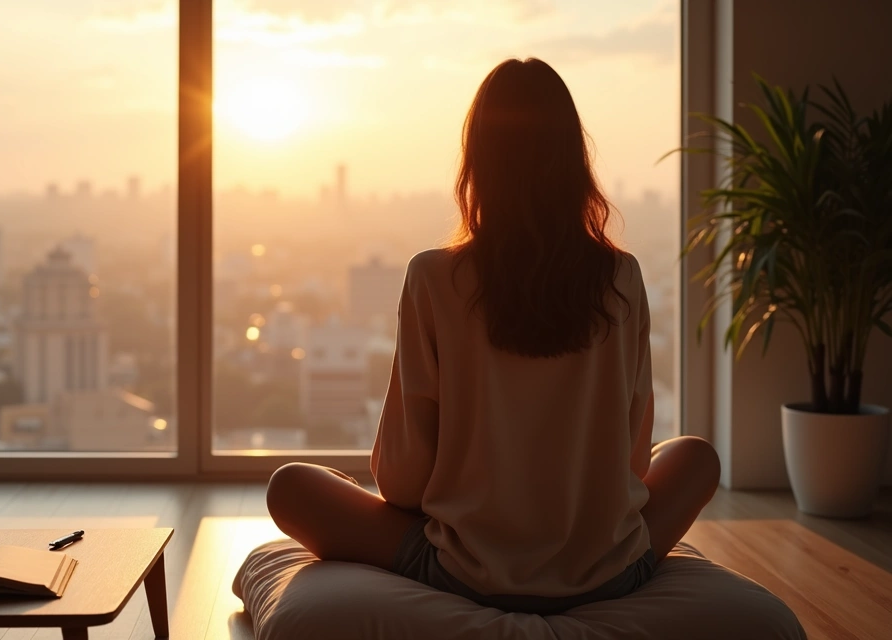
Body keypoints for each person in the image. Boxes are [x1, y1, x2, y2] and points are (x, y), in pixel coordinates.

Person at [265, 58, 721, 615]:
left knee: (292, 486)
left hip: (466, 574)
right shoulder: (621, 276)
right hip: (607, 572)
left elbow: (402, 486)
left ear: (477, 161)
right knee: (696, 458)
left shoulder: (433, 276)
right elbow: (632, 466)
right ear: (573, 160)